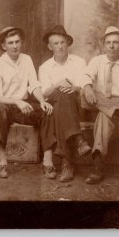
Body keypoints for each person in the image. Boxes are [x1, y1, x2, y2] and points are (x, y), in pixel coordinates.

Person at [0, 26, 53, 178]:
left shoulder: (27, 59)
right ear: (4, 46)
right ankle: (2, 161)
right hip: (6, 107)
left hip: (24, 106)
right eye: (10, 43)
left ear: (21, 43)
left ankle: (48, 161)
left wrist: (42, 101)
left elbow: (34, 85)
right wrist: (17, 101)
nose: (15, 46)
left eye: (17, 42)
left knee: (47, 110)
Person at [83, 26, 119, 184]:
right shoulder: (96, 61)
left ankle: (97, 165)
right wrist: (87, 87)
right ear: (103, 45)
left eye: (116, 42)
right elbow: (86, 76)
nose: (112, 46)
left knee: (103, 117)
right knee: (83, 93)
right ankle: (115, 113)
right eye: (108, 42)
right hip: (97, 102)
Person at [38, 25, 90, 182]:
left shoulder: (79, 62)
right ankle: (75, 146)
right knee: (60, 96)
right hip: (54, 104)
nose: (60, 46)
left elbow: (84, 85)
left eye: (62, 42)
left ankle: (67, 162)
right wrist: (58, 84)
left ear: (67, 43)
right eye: (55, 43)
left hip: (76, 104)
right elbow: (45, 93)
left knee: (64, 98)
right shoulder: (45, 67)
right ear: (50, 46)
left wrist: (74, 87)